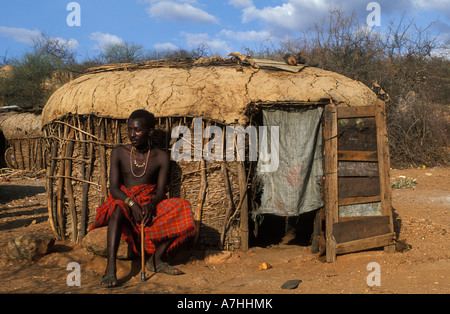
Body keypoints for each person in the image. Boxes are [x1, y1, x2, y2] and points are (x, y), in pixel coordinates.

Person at [89, 109, 197, 288]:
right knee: (117, 208)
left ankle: (156, 259)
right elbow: (114, 188)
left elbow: (162, 191)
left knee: (182, 207)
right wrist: (132, 204)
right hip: (124, 200)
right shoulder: (119, 153)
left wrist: (150, 205)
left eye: (137, 130)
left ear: (150, 132)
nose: (132, 134)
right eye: (130, 130)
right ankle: (110, 268)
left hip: (148, 201)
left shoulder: (161, 156)